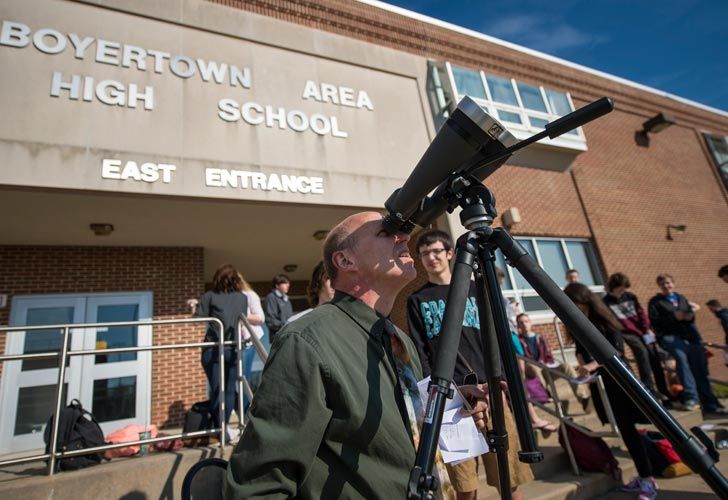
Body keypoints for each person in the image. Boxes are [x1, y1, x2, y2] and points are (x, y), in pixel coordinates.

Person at [226, 212, 489, 499]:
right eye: (385, 233)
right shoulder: (305, 341)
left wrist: (450, 403)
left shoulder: (399, 340)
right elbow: (259, 485)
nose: (404, 237)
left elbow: (401, 417)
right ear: (345, 261)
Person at [407, 229, 533, 500]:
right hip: (451, 399)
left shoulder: (476, 290)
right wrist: (438, 394)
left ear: (450, 253)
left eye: (437, 251)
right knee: (465, 487)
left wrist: (499, 379)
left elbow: (497, 339)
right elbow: (421, 352)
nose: (431, 257)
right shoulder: (417, 300)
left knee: (508, 480)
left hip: (490, 391)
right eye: (425, 253)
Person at [564, 283, 659, 500]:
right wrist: (582, 365)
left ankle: (648, 478)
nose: (573, 308)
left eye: (575, 303)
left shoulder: (603, 320)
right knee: (625, 430)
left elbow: (615, 351)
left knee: (631, 428)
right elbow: (580, 350)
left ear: (584, 300)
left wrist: (592, 365)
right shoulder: (577, 324)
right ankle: (645, 476)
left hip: (619, 381)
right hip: (603, 383)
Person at [648, 274, 723, 414]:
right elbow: (654, 322)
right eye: (663, 283)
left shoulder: (681, 298)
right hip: (670, 336)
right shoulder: (655, 302)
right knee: (682, 360)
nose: (666, 286)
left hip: (689, 336)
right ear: (659, 286)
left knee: (699, 367)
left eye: (668, 283)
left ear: (673, 283)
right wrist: (672, 317)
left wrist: (689, 316)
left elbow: (689, 316)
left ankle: (709, 400)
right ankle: (691, 398)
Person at [194, 264, 248, 428]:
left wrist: (193, 306)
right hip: (233, 349)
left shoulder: (209, 296)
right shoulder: (243, 298)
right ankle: (223, 427)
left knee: (218, 390)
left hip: (213, 350)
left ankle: (221, 427)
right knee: (230, 390)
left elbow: (197, 319)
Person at [603, 273, 670, 403]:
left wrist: (648, 329)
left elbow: (641, 314)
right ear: (614, 286)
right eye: (620, 288)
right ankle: (649, 389)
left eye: (624, 287)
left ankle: (663, 391)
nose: (623, 290)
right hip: (625, 332)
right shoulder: (606, 302)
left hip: (642, 331)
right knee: (642, 352)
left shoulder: (630, 297)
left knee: (653, 355)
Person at [516, 313, 590, 405]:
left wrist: (545, 362)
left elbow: (548, 355)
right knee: (534, 367)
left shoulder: (540, 337)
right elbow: (522, 360)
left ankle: (582, 397)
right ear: (518, 325)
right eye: (521, 322)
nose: (524, 324)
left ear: (530, 323)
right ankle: (546, 395)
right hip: (532, 371)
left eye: (526, 321)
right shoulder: (518, 340)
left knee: (566, 366)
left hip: (546, 368)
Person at [263, 273, 293, 338]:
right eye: (285, 283)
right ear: (277, 285)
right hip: (278, 337)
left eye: (288, 283)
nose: (288, 285)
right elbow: (270, 320)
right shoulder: (271, 297)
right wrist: (285, 325)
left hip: (289, 336)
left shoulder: (286, 299)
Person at [706, 299, 728, 365]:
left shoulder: (723, 315)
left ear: (713, 307)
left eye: (710, 308)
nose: (710, 311)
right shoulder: (724, 313)